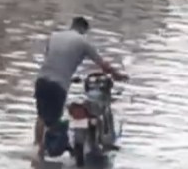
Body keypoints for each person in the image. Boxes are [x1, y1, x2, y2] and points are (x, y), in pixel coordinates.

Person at [33, 17, 127, 156]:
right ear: (84, 30)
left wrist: (70, 77)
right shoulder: (83, 42)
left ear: (72, 26)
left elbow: (51, 59)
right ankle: (48, 150)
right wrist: (117, 75)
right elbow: (103, 65)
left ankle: (36, 151)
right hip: (58, 86)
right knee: (55, 120)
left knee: (41, 116)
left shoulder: (54, 36)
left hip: (41, 81)